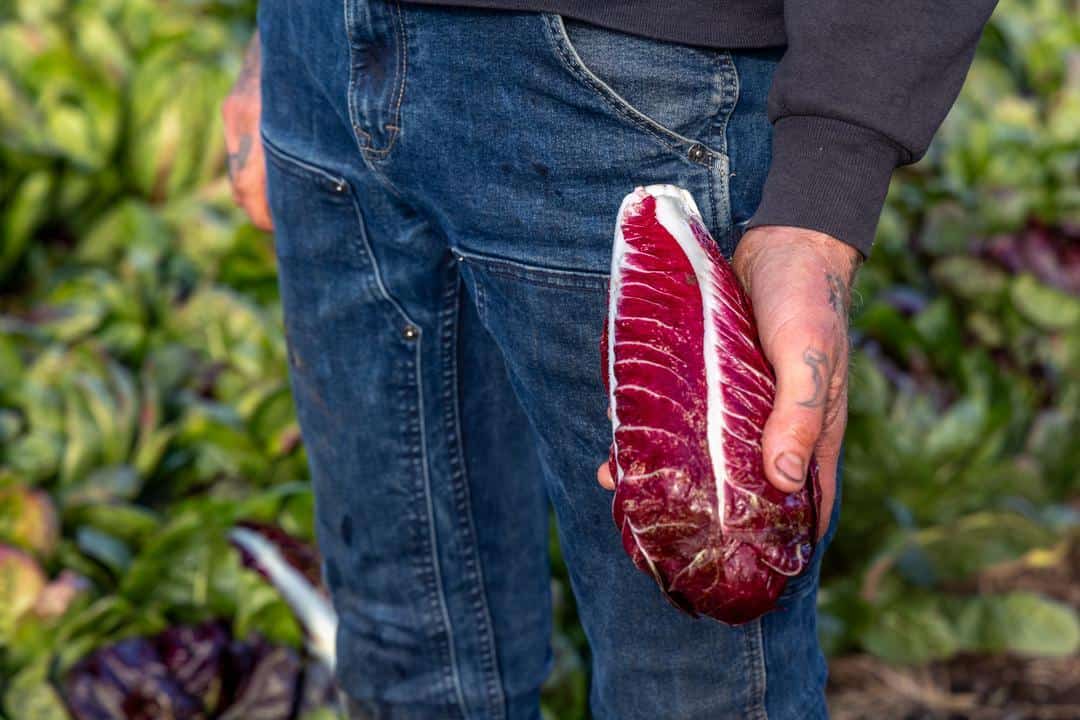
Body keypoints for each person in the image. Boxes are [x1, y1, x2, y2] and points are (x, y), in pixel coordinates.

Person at [223, 1, 998, 717]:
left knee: (694, 684)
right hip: (319, 50)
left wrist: (828, 187)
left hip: (628, 77)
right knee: (404, 658)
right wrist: (287, 37)